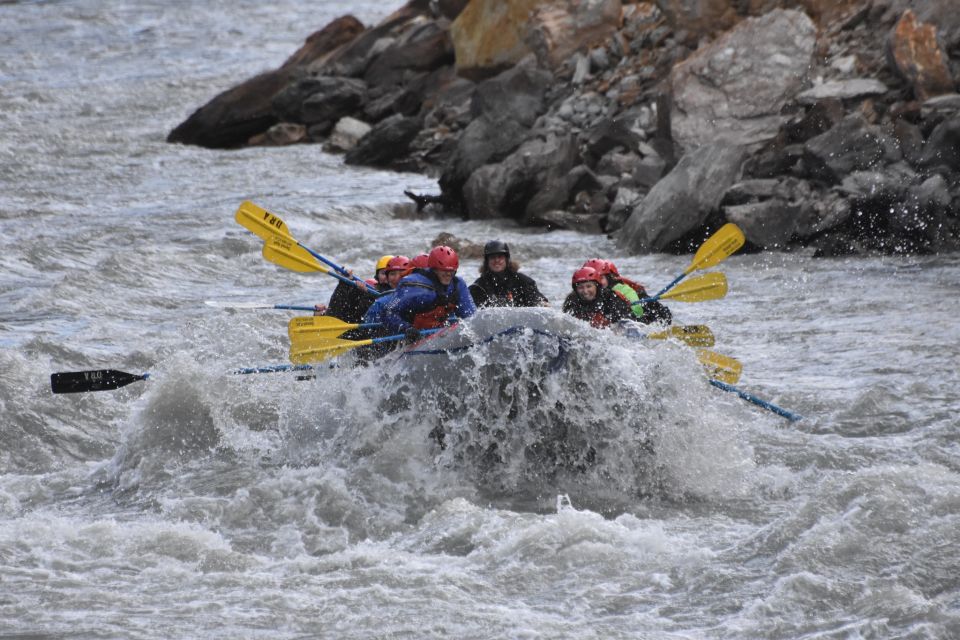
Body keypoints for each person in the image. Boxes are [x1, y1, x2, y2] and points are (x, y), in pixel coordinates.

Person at [383, 245, 477, 343]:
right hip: (410, 339)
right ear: (434, 269)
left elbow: (471, 317)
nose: (448, 274)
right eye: (444, 270)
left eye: (451, 271)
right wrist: (405, 328)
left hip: (438, 336)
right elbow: (387, 312)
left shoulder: (458, 285)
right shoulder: (413, 285)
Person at [583, 258, 671, 325]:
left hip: (638, 321)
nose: (597, 283)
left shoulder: (620, 292)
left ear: (609, 278)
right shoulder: (582, 295)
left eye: (600, 278)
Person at [468, 240, 548, 308]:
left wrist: (542, 304)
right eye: (492, 257)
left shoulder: (523, 281)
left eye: (500, 257)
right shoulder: (478, 287)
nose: (497, 260)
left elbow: (538, 300)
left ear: (506, 260)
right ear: (487, 261)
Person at [318, 254, 393, 323]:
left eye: (391, 274)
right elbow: (345, 307)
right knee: (350, 288)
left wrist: (367, 294)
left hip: (367, 328)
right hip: (350, 324)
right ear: (377, 275)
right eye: (383, 273)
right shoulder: (371, 289)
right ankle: (323, 317)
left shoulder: (399, 292)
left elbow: (365, 315)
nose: (387, 277)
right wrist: (345, 282)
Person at [562, 266, 635, 328]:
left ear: (597, 286)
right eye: (580, 287)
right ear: (576, 290)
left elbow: (627, 323)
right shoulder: (571, 302)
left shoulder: (611, 297)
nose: (585, 291)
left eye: (589, 286)